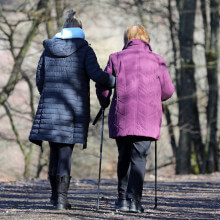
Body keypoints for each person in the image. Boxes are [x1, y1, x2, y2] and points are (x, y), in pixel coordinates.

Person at [29, 10, 115, 210]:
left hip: (49, 109)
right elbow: (97, 75)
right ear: (80, 30)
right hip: (72, 111)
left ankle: (53, 196)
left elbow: (40, 80)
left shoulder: (48, 49)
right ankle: (61, 200)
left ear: (64, 28)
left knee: (54, 153)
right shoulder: (85, 50)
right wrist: (115, 81)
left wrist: (49, 96)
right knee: (65, 154)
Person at [96, 25, 175, 213]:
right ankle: (134, 201)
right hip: (147, 118)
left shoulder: (116, 58)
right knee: (139, 158)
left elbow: (103, 85)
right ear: (146, 39)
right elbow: (168, 91)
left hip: (122, 115)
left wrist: (104, 101)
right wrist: (156, 96)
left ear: (127, 39)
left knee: (123, 157)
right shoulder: (158, 60)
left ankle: (122, 199)